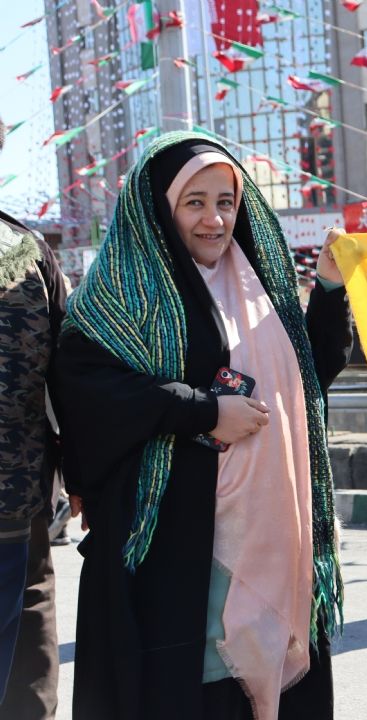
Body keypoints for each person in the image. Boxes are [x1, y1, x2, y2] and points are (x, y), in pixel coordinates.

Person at [56, 132, 353, 719]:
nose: (215, 220)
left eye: (226, 201)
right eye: (194, 202)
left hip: (272, 527)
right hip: (172, 541)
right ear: (158, 207)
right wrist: (205, 410)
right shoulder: (117, 296)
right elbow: (90, 391)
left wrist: (328, 288)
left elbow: (308, 375)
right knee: (196, 685)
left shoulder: (259, 284)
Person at [0, 115, 66, 712]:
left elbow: (67, 376)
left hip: (19, 502)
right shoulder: (28, 248)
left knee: (28, 629)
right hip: (19, 497)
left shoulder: (30, 251)